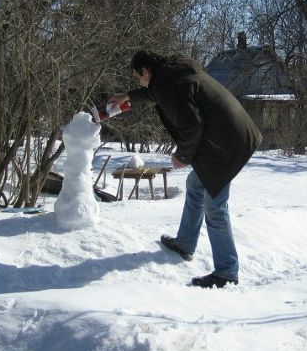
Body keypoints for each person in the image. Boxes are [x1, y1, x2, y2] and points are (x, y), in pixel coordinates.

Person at [108, 50, 261, 288]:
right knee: (195, 184)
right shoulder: (173, 74)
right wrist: (127, 96)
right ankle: (186, 243)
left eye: (137, 76)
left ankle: (227, 272)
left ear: (146, 71)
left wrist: (182, 156)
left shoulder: (170, 85)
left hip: (226, 144)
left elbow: (192, 127)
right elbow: (153, 93)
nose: (137, 81)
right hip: (229, 135)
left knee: (216, 208)